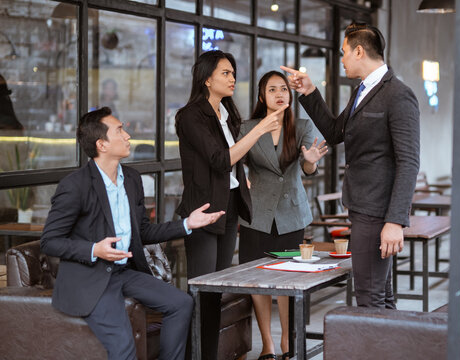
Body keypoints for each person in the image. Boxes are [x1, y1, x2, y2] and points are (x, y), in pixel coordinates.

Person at [41, 107, 225, 360]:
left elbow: (144, 232)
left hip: (124, 272)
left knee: (181, 303)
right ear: (101, 144)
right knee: (124, 347)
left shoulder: (131, 178)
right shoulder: (75, 186)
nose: (128, 136)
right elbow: (50, 241)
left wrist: (187, 224)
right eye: (120, 130)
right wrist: (94, 249)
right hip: (90, 278)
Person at [281, 22, 420, 309]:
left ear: (359, 51)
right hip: (362, 206)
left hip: (377, 210)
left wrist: (395, 221)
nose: (341, 59)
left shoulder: (398, 94)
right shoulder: (362, 91)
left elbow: (409, 162)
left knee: (369, 298)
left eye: (343, 52)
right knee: (380, 296)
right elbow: (334, 133)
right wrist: (309, 92)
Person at [175, 50, 286, 360]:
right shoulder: (191, 115)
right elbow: (220, 160)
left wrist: (242, 178)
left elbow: (236, 161)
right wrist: (260, 129)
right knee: (202, 293)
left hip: (229, 207)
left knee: (215, 292)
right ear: (207, 78)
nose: (232, 77)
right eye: (225, 73)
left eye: (233, 72)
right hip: (203, 213)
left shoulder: (227, 114)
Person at [238, 71, 327, 360]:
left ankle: (288, 342)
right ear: (262, 96)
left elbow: (307, 166)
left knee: (288, 280)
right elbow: (234, 160)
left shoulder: (302, 125)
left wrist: (311, 163)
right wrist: (242, 180)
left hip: (291, 213)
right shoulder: (248, 127)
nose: (280, 94)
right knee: (257, 279)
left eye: (284, 90)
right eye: (272, 89)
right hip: (256, 214)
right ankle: (267, 344)